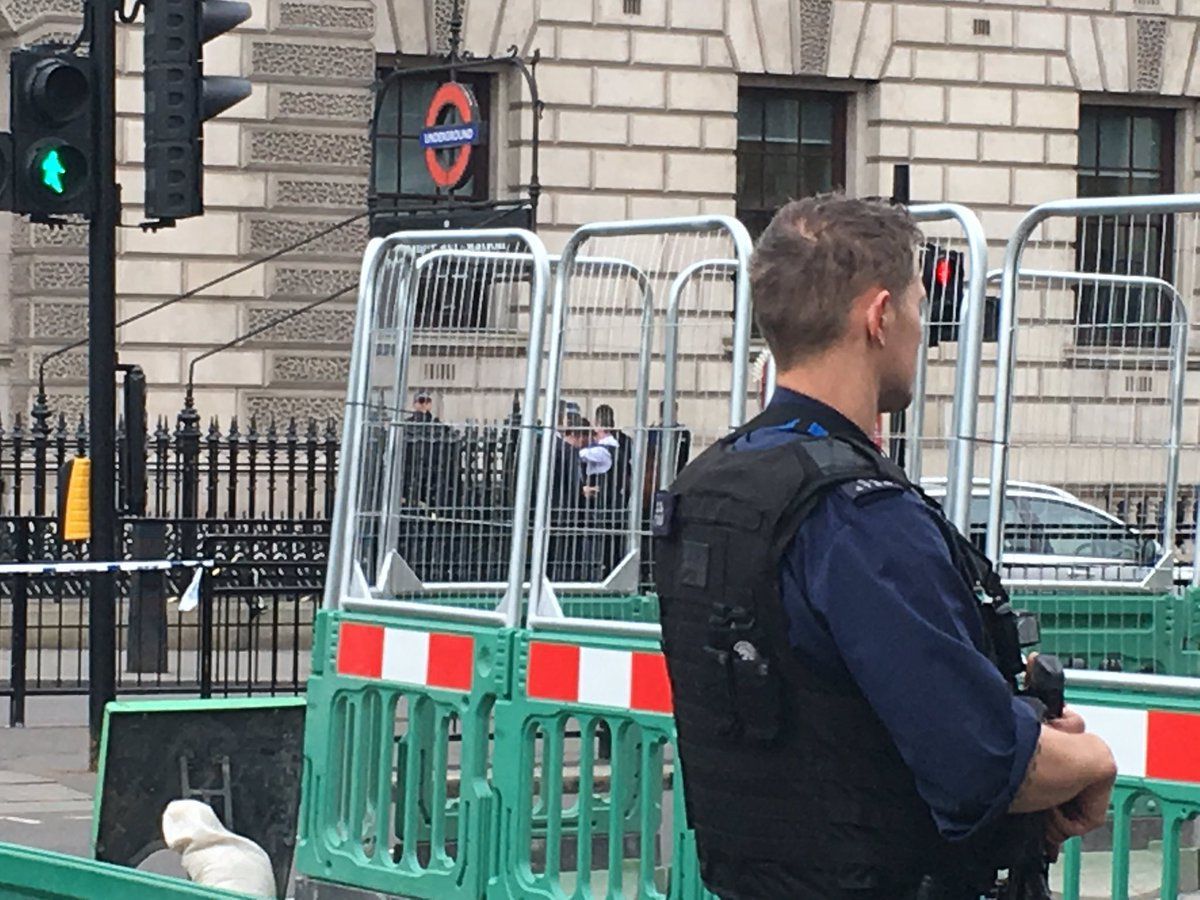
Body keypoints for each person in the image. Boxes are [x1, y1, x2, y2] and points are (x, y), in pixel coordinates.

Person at [653, 195, 1116, 900]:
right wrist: (1089, 759)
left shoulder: (707, 487)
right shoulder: (858, 518)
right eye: (918, 308)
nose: (922, 333)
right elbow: (979, 766)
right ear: (878, 317)